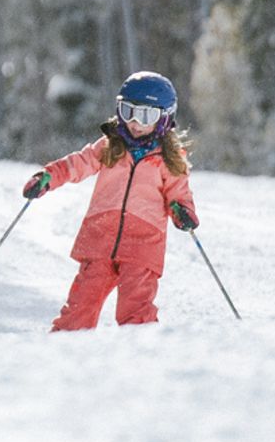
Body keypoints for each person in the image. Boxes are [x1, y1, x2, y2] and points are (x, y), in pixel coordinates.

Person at [24, 71, 198, 331]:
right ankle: (64, 352)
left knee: (136, 311)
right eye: (128, 112)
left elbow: (179, 194)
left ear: (164, 119)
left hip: (142, 245)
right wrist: (49, 176)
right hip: (100, 240)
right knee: (80, 308)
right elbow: (77, 164)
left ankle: (143, 355)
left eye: (146, 115)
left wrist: (182, 211)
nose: (136, 123)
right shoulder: (109, 146)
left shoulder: (169, 161)